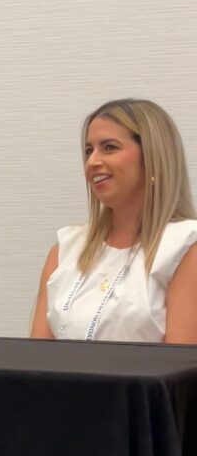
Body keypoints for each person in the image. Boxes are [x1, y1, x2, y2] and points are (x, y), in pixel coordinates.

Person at [30, 98, 197, 343]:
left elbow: (181, 373)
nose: (92, 162)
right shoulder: (65, 250)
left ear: (152, 158)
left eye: (109, 147)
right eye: (89, 150)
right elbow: (35, 363)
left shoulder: (184, 247)